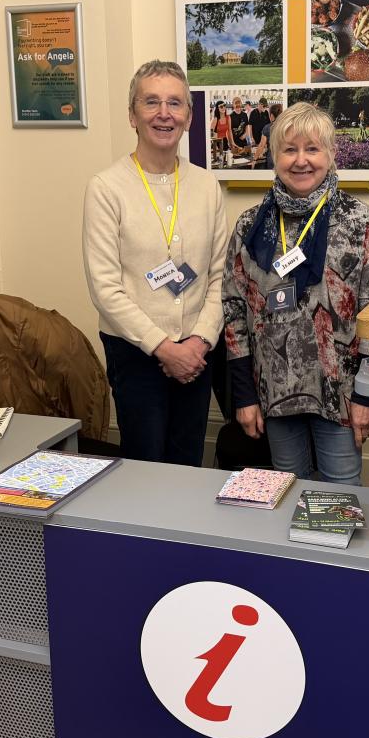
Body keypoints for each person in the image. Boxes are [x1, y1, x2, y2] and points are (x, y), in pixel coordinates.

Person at [222, 102, 369, 486]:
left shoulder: (358, 219)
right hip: (276, 394)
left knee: (340, 499)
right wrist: (244, 397)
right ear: (275, 156)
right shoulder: (251, 224)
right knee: (286, 496)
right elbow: (234, 309)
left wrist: (367, 396)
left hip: (342, 394)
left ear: (331, 155)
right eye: (290, 149)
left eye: (312, 149)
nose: (301, 160)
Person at [83, 60, 227, 466]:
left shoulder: (207, 186)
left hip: (198, 354)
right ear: (133, 115)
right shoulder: (106, 189)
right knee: (144, 466)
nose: (164, 113)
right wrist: (165, 349)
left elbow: (220, 277)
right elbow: (105, 289)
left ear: (188, 117)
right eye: (151, 102)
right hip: (136, 354)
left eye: (175, 104)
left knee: (187, 463)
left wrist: (198, 342)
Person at [253, 102, 282, 170]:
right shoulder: (286, 127)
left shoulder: (267, 128)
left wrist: (254, 160)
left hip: (272, 161)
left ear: (271, 116)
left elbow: (261, 145)